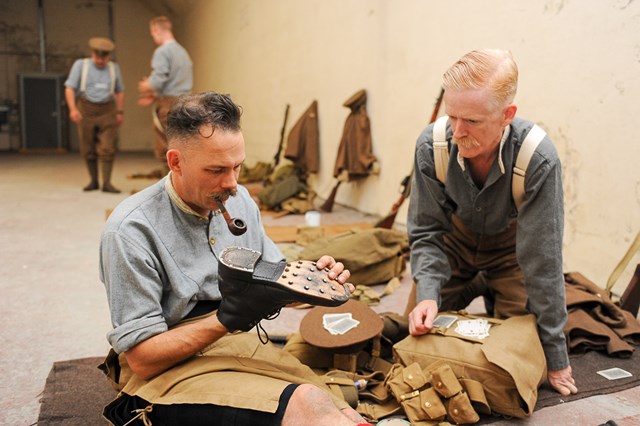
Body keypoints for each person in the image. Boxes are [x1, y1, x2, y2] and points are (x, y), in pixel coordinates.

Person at [99, 91, 374, 426]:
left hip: (231, 342)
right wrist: (228, 318)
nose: (231, 183)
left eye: (237, 167)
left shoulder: (239, 199)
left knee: (333, 404)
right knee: (303, 405)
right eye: (216, 170)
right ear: (175, 161)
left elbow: (273, 279)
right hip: (164, 370)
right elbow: (142, 360)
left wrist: (311, 283)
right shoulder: (130, 230)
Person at [406, 49, 578, 396]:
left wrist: (555, 354)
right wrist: (427, 294)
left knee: (521, 352)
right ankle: (469, 286)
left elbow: (542, 260)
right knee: (416, 341)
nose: (458, 131)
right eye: (451, 115)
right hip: (453, 246)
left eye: (472, 121)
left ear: (506, 115)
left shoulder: (538, 159)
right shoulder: (432, 146)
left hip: (511, 253)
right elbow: (426, 232)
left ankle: (493, 287)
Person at [64, 37, 124, 193]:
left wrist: (119, 111)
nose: (101, 60)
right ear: (92, 53)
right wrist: (73, 109)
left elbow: (119, 91)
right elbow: (69, 87)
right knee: (87, 147)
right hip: (86, 109)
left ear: (108, 55)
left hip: (108, 110)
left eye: (104, 57)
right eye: (98, 56)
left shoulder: (113, 68)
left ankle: (107, 183)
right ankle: (94, 181)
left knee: (108, 147)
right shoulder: (81, 66)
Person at [137, 15, 193, 175]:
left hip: (169, 105)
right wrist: (156, 96)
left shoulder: (162, 52)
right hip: (185, 101)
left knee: (166, 144)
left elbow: (159, 78)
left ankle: (169, 183)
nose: (152, 36)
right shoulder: (183, 52)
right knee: (181, 140)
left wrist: (147, 85)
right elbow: (175, 81)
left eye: (152, 33)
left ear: (157, 30)